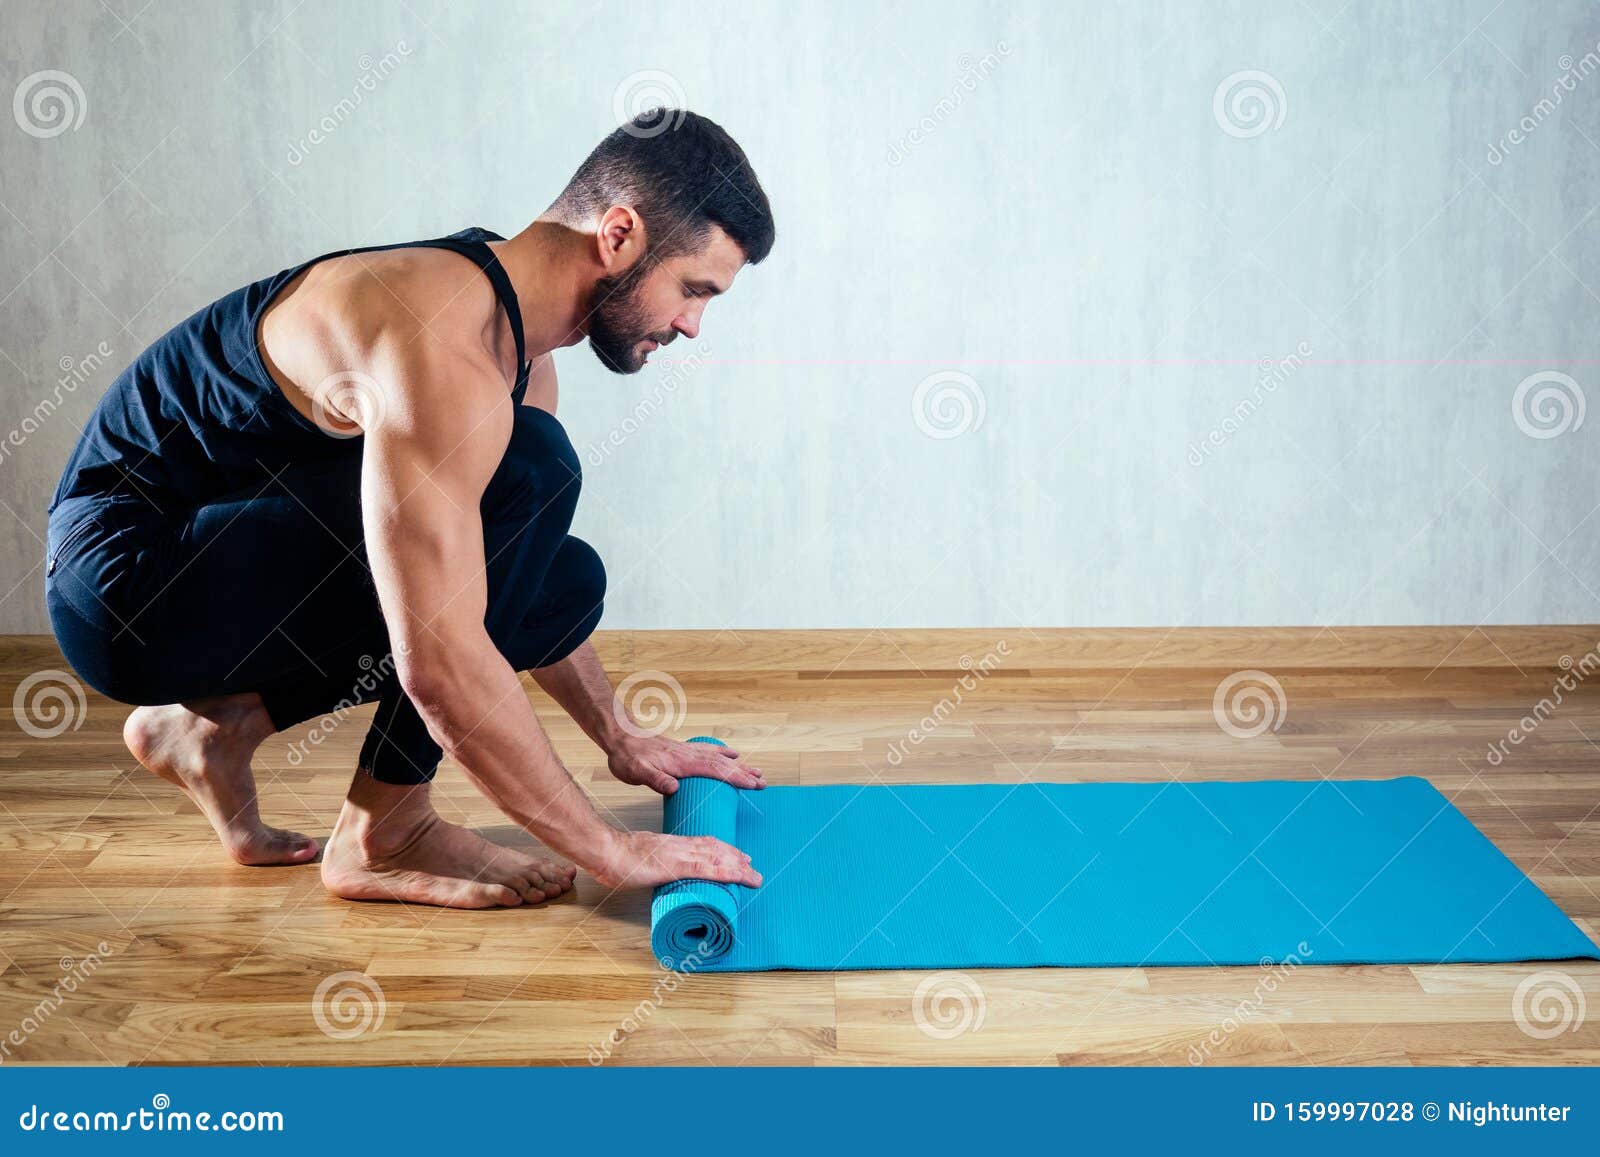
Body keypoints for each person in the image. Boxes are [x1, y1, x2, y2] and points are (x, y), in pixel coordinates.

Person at [44, 109, 772, 909]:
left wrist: (619, 735)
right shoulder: (442, 336)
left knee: (565, 576)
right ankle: (385, 833)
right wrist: (610, 848)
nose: (693, 325)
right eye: (693, 289)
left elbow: (507, 568)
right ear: (620, 235)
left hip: (222, 549)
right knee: (531, 475)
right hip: (124, 581)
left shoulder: (517, 354)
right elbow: (441, 664)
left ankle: (214, 731)